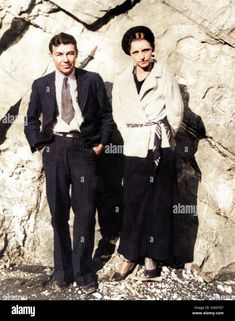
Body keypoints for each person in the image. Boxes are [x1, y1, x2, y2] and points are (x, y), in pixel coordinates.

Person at [24, 32, 113, 293]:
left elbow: (107, 116)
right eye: (60, 54)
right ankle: (62, 272)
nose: (66, 59)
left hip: (84, 149)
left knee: (85, 214)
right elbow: (30, 120)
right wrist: (40, 144)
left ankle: (84, 273)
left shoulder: (91, 80)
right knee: (59, 214)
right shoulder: (41, 85)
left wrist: (101, 143)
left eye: (70, 53)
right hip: (55, 149)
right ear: (52, 55)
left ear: (76, 53)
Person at [111, 26, 184, 281]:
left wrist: (162, 135)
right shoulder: (121, 80)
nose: (142, 56)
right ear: (129, 54)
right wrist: (133, 135)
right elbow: (118, 114)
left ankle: (152, 255)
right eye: (136, 51)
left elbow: (176, 112)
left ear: (153, 49)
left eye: (146, 50)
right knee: (133, 202)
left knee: (158, 202)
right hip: (134, 147)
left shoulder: (165, 77)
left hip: (160, 146)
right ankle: (130, 255)